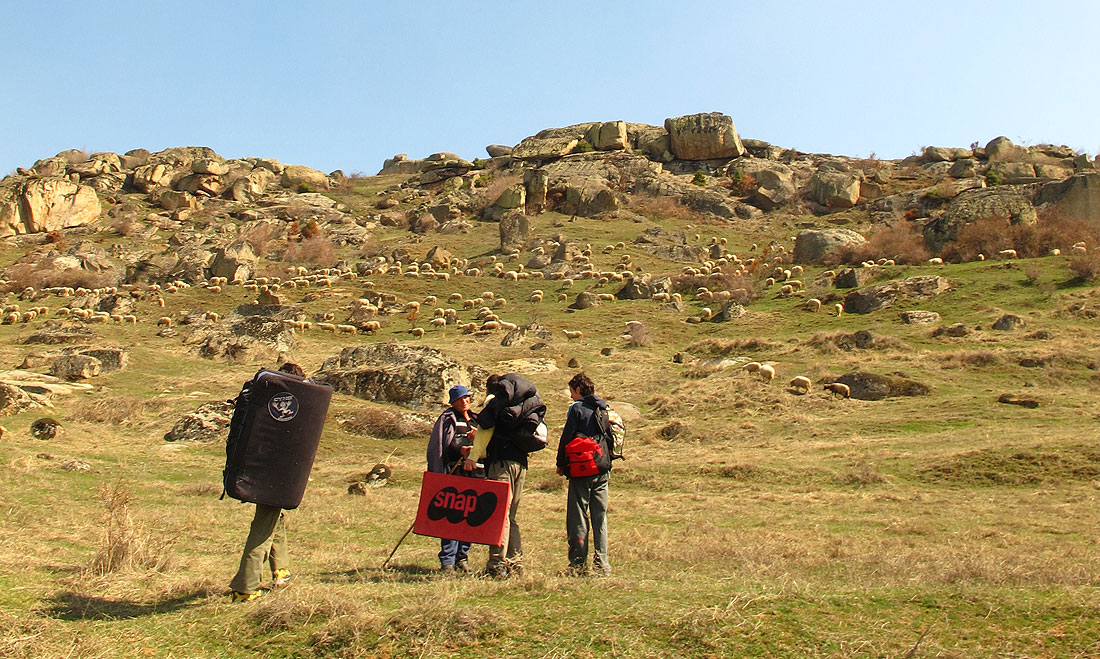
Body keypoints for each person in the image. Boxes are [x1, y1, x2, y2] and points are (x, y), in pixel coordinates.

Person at [229, 362, 304, 602]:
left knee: (274, 517)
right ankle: (245, 588)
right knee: (262, 530)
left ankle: (281, 570)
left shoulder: (267, 406)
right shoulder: (293, 407)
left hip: (257, 471)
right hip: (276, 477)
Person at [477, 373, 544, 577]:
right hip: (521, 463)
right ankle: (515, 562)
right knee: (511, 516)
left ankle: (497, 563)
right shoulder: (523, 405)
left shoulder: (497, 405)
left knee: (500, 514)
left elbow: (484, 429)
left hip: (501, 463)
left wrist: (474, 456)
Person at [555, 372, 612, 576]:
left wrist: (560, 463)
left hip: (582, 467)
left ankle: (578, 563)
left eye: (571, 391)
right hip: (602, 467)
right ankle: (602, 563)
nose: (570, 396)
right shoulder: (604, 408)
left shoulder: (577, 409)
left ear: (578, 389)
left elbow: (566, 437)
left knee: (578, 516)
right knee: (600, 517)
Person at [426, 384, 481, 574]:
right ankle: (448, 561)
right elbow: (443, 445)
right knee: (452, 517)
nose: (464, 401)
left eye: (466, 398)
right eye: (460, 399)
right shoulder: (447, 419)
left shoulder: (477, 419)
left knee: (470, 518)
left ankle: (462, 558)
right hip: (454, 474)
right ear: (453, 402)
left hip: (476, 474)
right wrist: (461, 450)